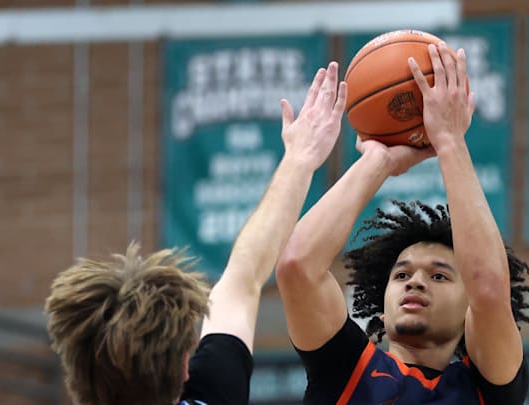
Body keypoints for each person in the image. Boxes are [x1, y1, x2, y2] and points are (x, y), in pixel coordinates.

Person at [44, 61, 348, 405]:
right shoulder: (212, 394)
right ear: (186, 369)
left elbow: (242, 281)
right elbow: (244, 277)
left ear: (75, 375)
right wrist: (300, 159)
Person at [275, 42, 529, 404]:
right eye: (401, 275)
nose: (414, 281)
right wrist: (378, 161)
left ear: (469, 310)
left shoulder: (485, 389)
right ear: (381, 306)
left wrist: (449, 142)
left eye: (439, 275)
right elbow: (296, 266)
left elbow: (490, 290)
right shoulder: (347, 371)